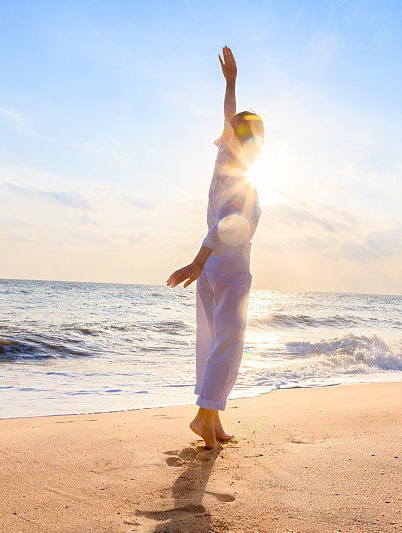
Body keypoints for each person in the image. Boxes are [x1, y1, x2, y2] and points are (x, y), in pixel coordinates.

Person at [166, 46, 263, 450]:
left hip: (209, 271)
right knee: (229, 341)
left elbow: (229, 121)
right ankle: (204, 416)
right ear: (255, 139)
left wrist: (231, 83)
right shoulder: (245, 178)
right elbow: (227, 227)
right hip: (226, 267)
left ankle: (214, 418)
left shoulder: (225, 158)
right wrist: (197, 260)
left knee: (210, 340)